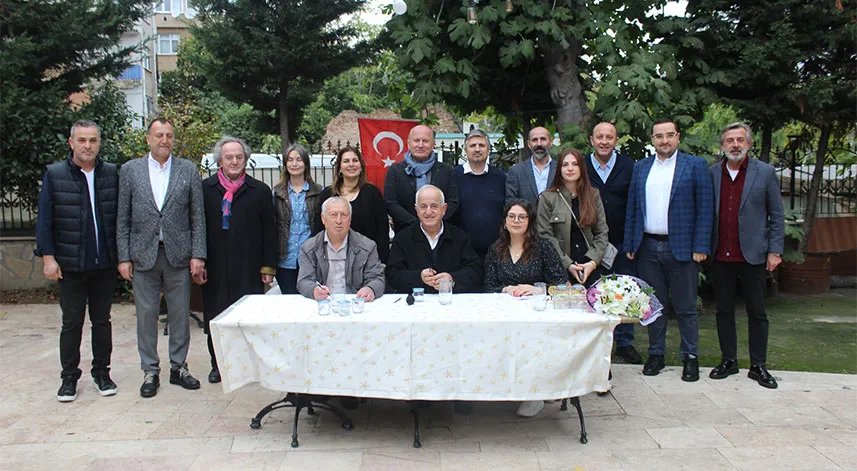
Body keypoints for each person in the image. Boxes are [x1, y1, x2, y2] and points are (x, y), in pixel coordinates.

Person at [117, 117, 206, 398]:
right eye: (159, 135)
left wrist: (198, 255)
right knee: (146, 315)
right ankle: (150, 370)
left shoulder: (187, 170)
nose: (164, 140)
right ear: (148, 139)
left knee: (180, 313)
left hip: (178, 254)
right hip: (143, 254)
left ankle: (178, 367)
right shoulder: (130, 171)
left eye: (169, 135)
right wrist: (123, 257)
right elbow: (123, 218)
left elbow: (197, 217)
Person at [624, 118, 714, 382]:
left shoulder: (695, 166)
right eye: (659, 136)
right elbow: (633, 207)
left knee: (685, 306)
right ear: (652, 140)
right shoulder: (641, 168)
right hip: (648, 246)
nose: (664, 140)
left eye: (669, 135)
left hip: (683, 248)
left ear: (678, 137)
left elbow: (705, 209)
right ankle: (656, 354)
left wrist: (701, 246)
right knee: (654, 306)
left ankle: (690, 357)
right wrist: (631, 243)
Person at [35, 120, 119, 402]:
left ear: (99, 143)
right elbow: (45, 220)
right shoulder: (55, 175)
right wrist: (48, 257)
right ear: (71, 142)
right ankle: (69, 378)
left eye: (93, 140)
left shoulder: (110, 173)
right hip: (70, 264)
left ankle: (102, 373)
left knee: (102, 321)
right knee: (71, 323)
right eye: (82, 140)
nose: (88, 145)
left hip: (103, 263)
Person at [708, 123, 784, 389]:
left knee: (757, 312)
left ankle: (758, 365)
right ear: (723, 145)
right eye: (730, 140)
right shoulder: (712, 174)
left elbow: (777, 214)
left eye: (740, 140)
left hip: (753, 253)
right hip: (720, 253)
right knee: (724, 311)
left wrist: (775, 250)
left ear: (749, 144)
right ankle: (729, 360)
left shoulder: (764, 173)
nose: (735, 145)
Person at [199, 136, 277, 384]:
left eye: (239, 157)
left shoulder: (260, 191)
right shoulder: (206, 190)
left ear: (246, 159)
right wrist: (199, 261)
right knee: (216, 316)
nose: (234, 161)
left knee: (247, 318)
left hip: (249, 266)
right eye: (228, 157)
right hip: (215, 266)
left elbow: (269, 231)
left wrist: (268, 266)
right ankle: (218, 364)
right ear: (219, 160)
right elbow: (197, 227)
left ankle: (246, 365)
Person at [484, 199, 567, 418]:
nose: (516, 221)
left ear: (530, 222)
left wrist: (536, 289)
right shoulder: (496, 249)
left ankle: (535, 393)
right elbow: (488, 285)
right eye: (512, 216)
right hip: (504, 315)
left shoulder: (544, 247)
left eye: (522, 217)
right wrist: (506, 289)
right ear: (505, 222)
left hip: (537, 314)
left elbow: (561, 283)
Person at [586, 122, 642, 364]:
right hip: (591, 242)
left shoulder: (629, 166)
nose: (604, 141)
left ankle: (624, 342)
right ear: (591, 140)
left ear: (616, 140)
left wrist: (631, 241)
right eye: (600, 137)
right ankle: (597, 343)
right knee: (596, 291)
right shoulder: (582, 165)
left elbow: (636, 205)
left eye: (609, 137)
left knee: (625, 290)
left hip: (621, 241)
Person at [386, 185, 482, 295]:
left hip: (452, 302)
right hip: (416, 303)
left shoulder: (460, 237)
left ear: (444, 209)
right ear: (416, 210)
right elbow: (392, 274)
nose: (428, 212)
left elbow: (475, 270)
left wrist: (452, 279)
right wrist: (419, 277)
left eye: (434, 206)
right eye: (423, 206)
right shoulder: (403, 238)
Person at [537, 148, 610, 287]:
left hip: (591, 265)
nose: (570, 168)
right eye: (565, 165)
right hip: (560, 268)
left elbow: (602, 232)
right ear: (559, 169)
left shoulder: (593, 195)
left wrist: (592, 262)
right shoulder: (547, 197)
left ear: (581, 167)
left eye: (575, 164)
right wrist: (568, 264)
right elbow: (545, 236)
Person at [297, 197, 386, 302]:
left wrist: (370, 289)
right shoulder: (309, 248)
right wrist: (314, 290)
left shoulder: (367, 246)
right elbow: (304, 281)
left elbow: (377, 278)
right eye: (333, 215)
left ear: (350, 219)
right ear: (323, 218)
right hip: (323, 303)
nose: (339, 221)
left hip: (356, 303)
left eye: (344, 215)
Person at [313, 146, 390, 263]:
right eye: (346, 161)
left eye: (355, 160)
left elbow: (382, 231)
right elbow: (318, 229)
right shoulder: (327, 195)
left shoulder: (373, 194)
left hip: (366, 260)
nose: (351, 164)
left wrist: (381, 262)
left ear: (361, 166)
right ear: (339, 168)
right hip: (333, 260)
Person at [384, 125, 459, 233]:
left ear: (433, 144)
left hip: (440, 233)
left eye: (425, 141)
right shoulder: (395, 171)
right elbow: (391, 203)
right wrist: (417, 224)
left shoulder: (446, 171)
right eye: (416, 140)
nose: (420, 145)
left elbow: (453, 202)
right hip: (405, 234)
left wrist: (434, 223)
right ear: (408, 143)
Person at [273, 144, 322, 294]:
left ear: (306, 163)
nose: (294, 164)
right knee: (289, 301)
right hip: (285, 260)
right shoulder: (277, 193)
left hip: (310, 258)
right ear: (285, 164)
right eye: (290, 160)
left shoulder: (318, 191)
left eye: (299, 159)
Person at [453, 128, 507, 261]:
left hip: (496, 251)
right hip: (461, 251)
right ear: (465, 151)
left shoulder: (500, 177)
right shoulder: (453, 176)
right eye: (472, 146)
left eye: (481, 145)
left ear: (488, 150)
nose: (477, 149)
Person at [505, 126, 557, 204]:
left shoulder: (560, 169)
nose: (539, 144)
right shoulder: (516, 172)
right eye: (534, 140)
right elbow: (510, 203)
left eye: (543, 139)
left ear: (551, 142)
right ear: (529, 144)